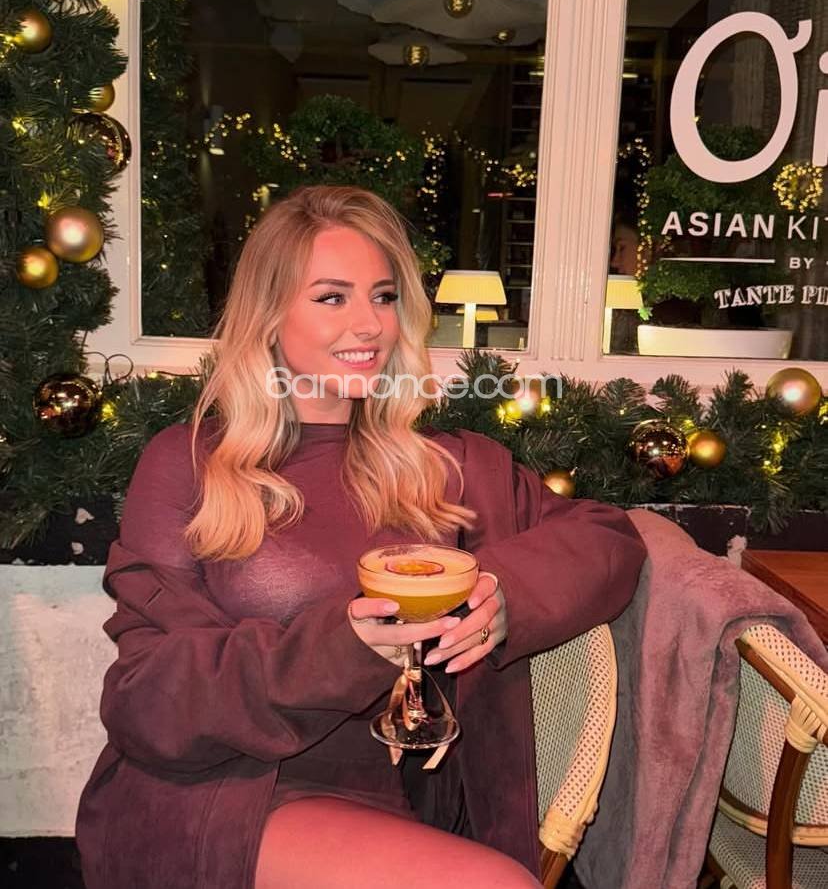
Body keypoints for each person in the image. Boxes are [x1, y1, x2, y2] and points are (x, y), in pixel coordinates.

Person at [75, 185, 647, 888]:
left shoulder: (450, 467)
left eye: (383, 297)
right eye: (331, 297)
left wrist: (504, 596)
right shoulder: (193, 463)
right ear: (268, 314)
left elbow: (609, 539)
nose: (369, 324)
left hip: (394, 794)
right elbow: (143, 699)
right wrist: (341, 647)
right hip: (221, 790)